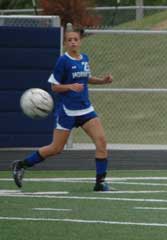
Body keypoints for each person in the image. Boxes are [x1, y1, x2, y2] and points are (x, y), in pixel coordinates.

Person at [11, 23, 114, 191]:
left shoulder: (85, 58)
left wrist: (102, 81)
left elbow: (85, 78)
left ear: (80, 42)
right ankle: (22, 164)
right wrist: (71, 86)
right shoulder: (63, 61)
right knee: (56, 148)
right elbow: (54, 87)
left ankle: (100, 182)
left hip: (86, 109)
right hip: (67, 111)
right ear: (65, 43)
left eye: (76, 39)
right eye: (69, 40)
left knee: (101, 141)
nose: (73, 42)